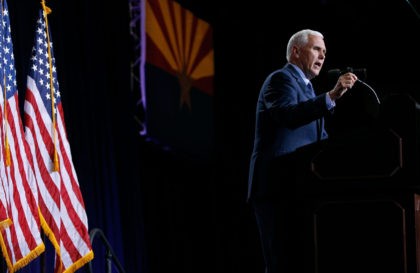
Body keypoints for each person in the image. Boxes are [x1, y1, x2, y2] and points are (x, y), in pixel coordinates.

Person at [247, 29, 358, 273]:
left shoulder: (309, 92)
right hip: (276, 187)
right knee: (281, 264)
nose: (322, 56)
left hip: (302, 189)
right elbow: (288, 115)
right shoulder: (279, 79)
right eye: (317, 49)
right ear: (296, 51)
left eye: (325, 52)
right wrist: (332, 95)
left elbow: (321, 141)